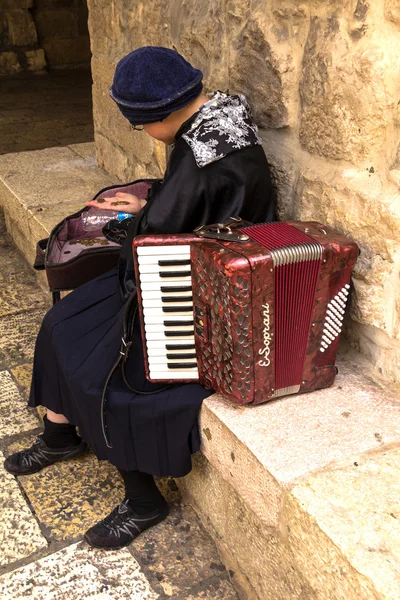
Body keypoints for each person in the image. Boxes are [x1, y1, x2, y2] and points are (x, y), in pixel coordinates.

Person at [4, 46, 276, 550]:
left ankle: (143, 499)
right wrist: (151, 197)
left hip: (205, 295)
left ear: (158, 117)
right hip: (202, 262)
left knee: (106, 372)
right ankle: (61, 437)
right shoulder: (219, 119)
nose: (144, 134)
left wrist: (125, 223)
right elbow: (190, 204)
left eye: (139, 126)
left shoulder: (201, 161)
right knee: (62, 322)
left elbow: (155, 242)